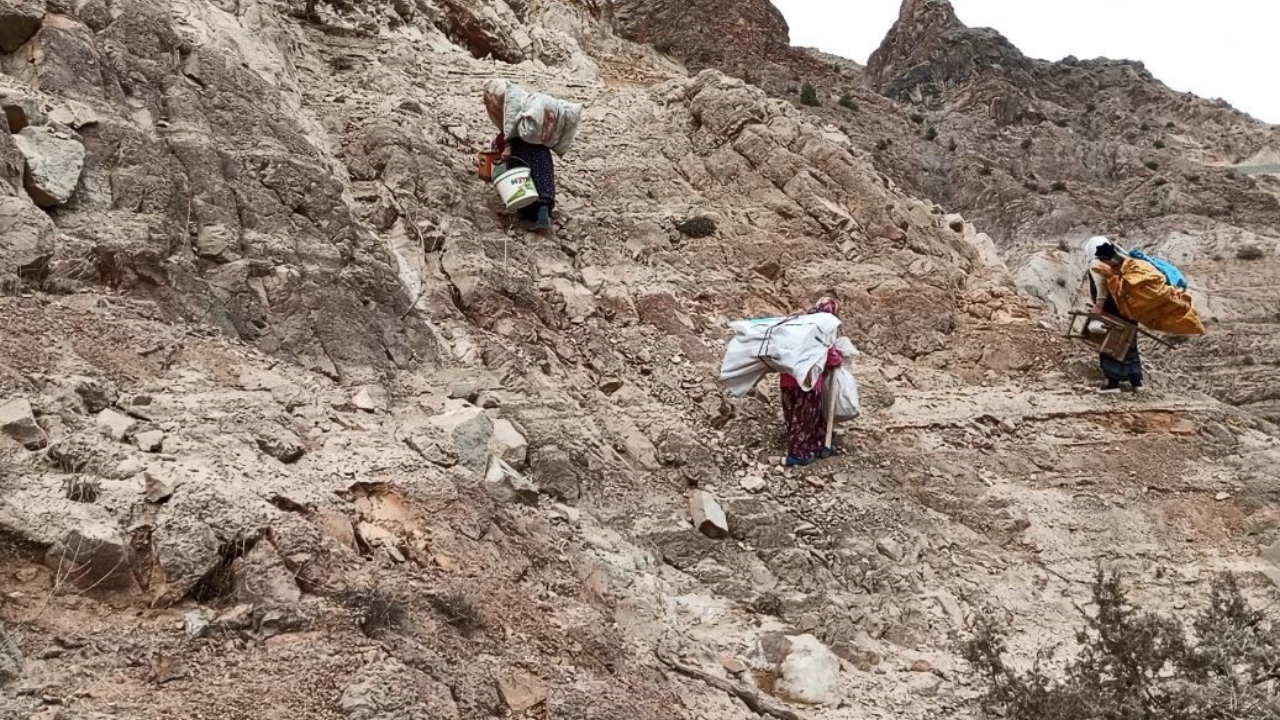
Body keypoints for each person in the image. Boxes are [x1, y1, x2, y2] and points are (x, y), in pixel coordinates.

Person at [483, 80, 559, 231]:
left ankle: (532, 214)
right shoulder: (535, 133)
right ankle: (543, 216)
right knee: (543, 178)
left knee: (523, 185)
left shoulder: (508, 136)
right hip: (541, 153)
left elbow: (498, 157)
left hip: (521, 160)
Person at [780, 297, 844, 467]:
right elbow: (832, 357)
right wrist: (838, 359)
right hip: (808, 382)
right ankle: (798, 454)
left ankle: (811, 445)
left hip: (787, 379)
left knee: (793, 415)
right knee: (806, 417)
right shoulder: (824, 328)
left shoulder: (799, 323)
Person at [1085, 237, 1145, 394]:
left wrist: (1098, 309)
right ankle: (1136, 381)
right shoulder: (1120, 262)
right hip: (1129, 309)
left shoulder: (1096, 264)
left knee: (1111, 344)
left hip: (1112, 310)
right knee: (1129, 342)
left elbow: (1101, 289)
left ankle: (1113, 383)